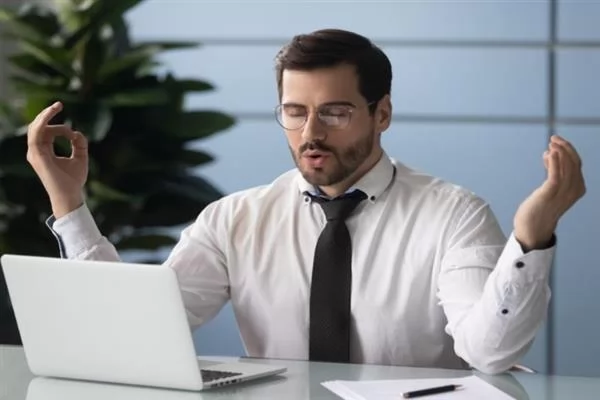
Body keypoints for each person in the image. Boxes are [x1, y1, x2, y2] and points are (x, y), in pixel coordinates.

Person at [25, 29, 585, 374]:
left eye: (335, 112)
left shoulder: (453, 215)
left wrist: (531, 238)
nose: (311, 133)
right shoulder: (235, 219)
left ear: (382, 113)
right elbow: (134, 333)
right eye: (295, 112)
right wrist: (69, 203)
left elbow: (489, 353)